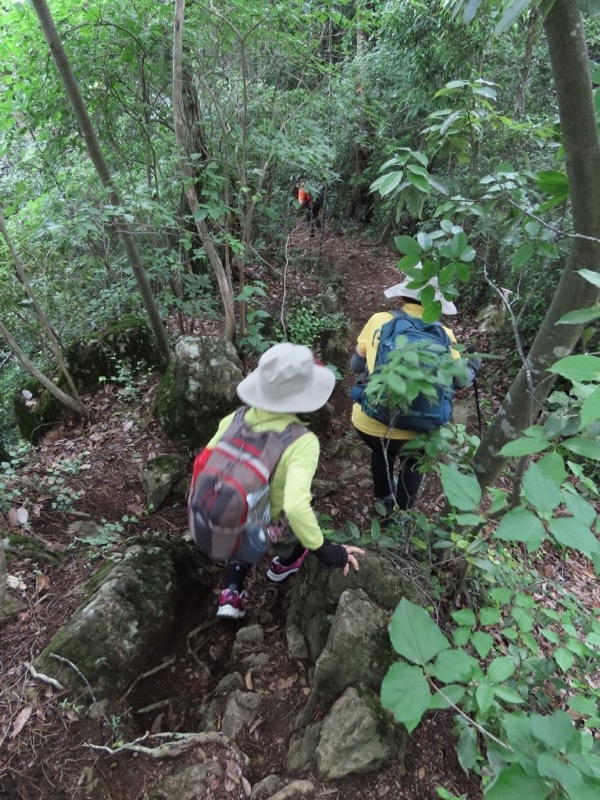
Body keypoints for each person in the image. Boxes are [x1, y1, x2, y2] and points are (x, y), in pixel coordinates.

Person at [195, 342, 364, 619]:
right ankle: (283, 564)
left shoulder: (233, 419)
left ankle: (232, 593)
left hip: (212, 521)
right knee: (294, 523)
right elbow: (296, 507)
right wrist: (327, 551)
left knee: (246, 512)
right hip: (261, 527)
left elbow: (204, 464)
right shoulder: (302, 442)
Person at [350, 274, 481, 518]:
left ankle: (383, 502)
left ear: (402, 294)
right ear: (437, 303)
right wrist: (473, 364)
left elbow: (356, 366)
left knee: (381, 451)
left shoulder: (378, 320)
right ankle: (403, 516)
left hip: (371, 423)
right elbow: (461, 381)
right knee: (414, 460)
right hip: (421, 428)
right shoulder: (445, 334)